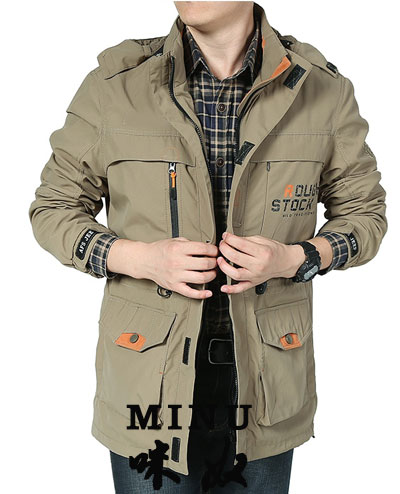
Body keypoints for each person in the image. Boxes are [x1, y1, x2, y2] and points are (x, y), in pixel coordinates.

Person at [28, 1, 388, 493]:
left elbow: (366, 215)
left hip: (266, 379)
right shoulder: (116, 87)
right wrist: (141, 259)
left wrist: (295, 258)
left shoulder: (321, 90)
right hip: (148, 375)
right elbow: (53, 208)